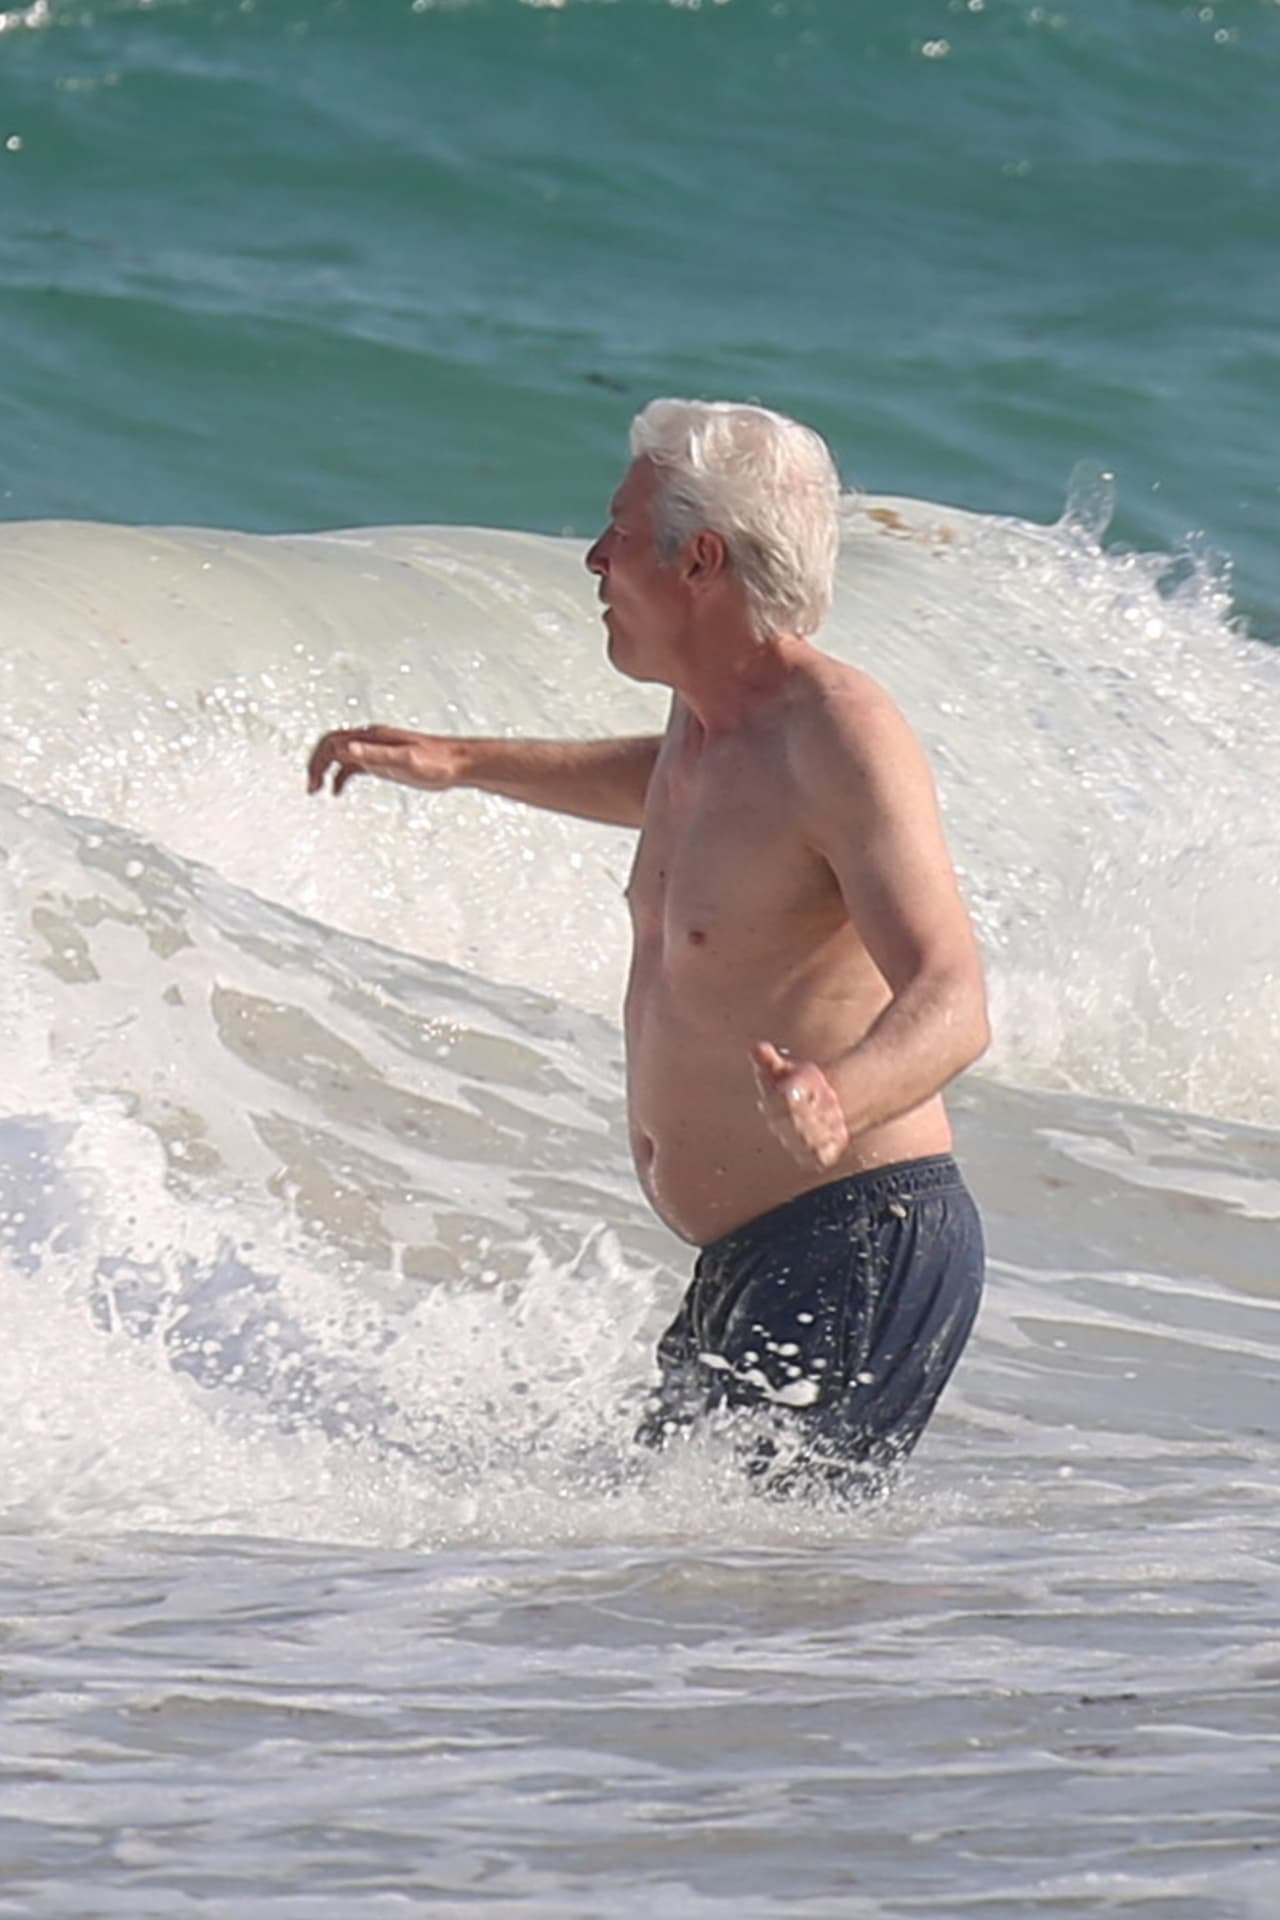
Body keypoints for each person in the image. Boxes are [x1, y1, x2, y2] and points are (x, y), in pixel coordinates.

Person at [307, 399, 989, 1497]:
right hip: (764, 1255)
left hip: (855, 1239)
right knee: (686, 1602)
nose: (592, 555)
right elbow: (680, 797)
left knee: (747, 1612)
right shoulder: (713, 726)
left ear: (698, 559)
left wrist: (838, 1094)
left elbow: (953, 996)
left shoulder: (839, 732)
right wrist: (460, 760)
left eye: (617, 530)